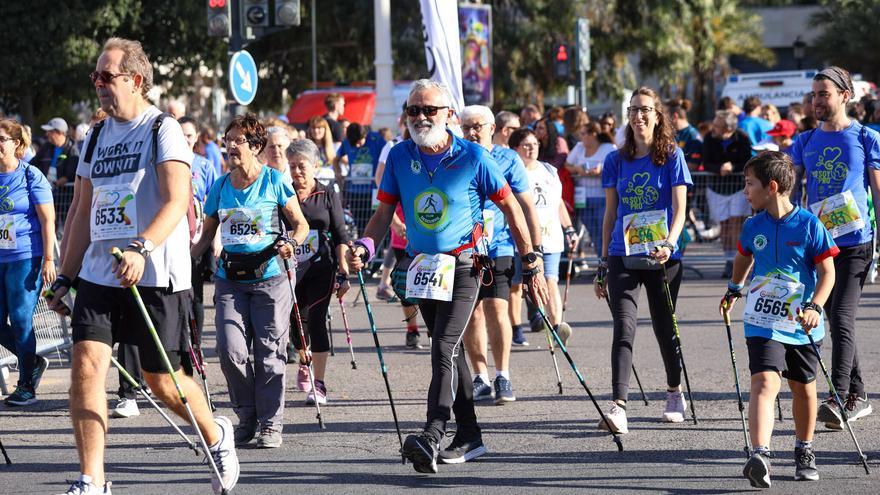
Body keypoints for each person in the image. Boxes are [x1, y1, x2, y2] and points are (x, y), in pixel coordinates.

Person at [47, 37, 239, 494]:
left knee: (163, 382)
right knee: (87, 366)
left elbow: (176, 201)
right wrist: (66, 277)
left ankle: (216, 434)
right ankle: (91, 479)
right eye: (95, 77)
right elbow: (80, 210)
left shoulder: (163, 129)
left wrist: (141, 248)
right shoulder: (94, 135)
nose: (98, 84)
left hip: (154, 273)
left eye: (106, 76)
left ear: (135, 80)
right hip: (99, 273)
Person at [346, 79, 549, 473]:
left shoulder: (474, 156)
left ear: (449, 115)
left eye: (429, 110)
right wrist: (365, 247)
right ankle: (470, 436)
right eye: (413, 111)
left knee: (442, 347)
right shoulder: (401, 157)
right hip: (424, 268)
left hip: (466, 265)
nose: (421, 117)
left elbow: (512, 208)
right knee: (449, 353)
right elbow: (384, 214)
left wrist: (531, 258)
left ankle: (432, 434)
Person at [191, 114, 309, 449]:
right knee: (229, 351)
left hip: (271, 277)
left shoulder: (273, 181)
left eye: (238, 140)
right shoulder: (221, 186)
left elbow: (299, 224)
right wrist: (185, 260)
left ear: (256, 146)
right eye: (227, 139)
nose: (230, 145)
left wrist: (292, 243)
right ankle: (247, 416)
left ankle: (271, 424)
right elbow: (206, 236)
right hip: (230, 279)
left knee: (269, 353)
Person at [720, 151, 837, 488]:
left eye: (749, 184)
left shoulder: (809, 224)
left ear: (771, 187)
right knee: (764, 382)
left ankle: (804, 449)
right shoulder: (753, 225)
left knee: (802, 387)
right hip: (761, 318)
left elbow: (827, 272)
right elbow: (744, 257)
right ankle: (761, 454)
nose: (745, 191)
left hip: (801, 322)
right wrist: (733, 288)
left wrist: (815, 307)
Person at [593, 87, 693, 434]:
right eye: (633, 110)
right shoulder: (614, 160)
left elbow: (680, 209)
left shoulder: (672, 156)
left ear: (657, 115)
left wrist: (670, 242)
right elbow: (610, 213)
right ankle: (618, 406)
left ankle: (674, 391)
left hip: (663, 257)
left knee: (665, 327)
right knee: (624, 326)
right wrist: (604, 260)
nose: (638, 116)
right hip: (624, 254)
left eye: (645, 110)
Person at [788, 66, 880, 429]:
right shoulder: (805, 141)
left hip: (857, 242)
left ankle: (838, 396)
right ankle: (858, 394)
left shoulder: (865, 137)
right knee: (830, 317)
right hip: (820, 246)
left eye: (823, 94)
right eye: (813, 95)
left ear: (845, 95)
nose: (816, 101)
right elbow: (792, 191)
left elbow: (877, 189)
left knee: (841, 316)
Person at [459, 105, 542, 405]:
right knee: (472, 312)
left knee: (496, 306)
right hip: (465, 247)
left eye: (477, 126)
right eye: (465, 126)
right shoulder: (455, 156)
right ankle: (480, 377)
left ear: (492, 128)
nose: (471, 132)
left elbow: (526, 207)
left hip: (500, 245)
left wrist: (535, 250)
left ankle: (502, 374)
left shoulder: (508, 159)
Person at [287, 139, 351, 405]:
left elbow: (340, 233)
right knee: (295, 323)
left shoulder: (327, 194)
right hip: (291, 269)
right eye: (292, 166)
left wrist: (344, 271)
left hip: (322, 266)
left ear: (314, 166)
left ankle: (320, 383)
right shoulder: (285, 193)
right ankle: (305, 359)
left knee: (316, 319)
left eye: (302, 166)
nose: (297, 172)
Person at [0, 119, 55, 406]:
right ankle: (32, 362)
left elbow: (48, 220)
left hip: (26, 256)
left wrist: (48, 258)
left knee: (21, 320)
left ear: (17, 144)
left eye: (1, 139)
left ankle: (25, 386)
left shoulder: (31, 176)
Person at [509, 128, 577, 348]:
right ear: (515, 149)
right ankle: (516, 328)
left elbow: (558, 203)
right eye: (526, 145)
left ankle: (556, 328)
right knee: (517, 286)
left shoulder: (549, 170)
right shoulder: (512, 172)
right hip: (522, 240)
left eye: (535, 144)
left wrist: (569, 229)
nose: (531, 149)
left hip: (550, 237)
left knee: (550, 281)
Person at [703, 110, 754, 278]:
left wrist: (732, 167)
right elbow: (706, 161)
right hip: (717, 188)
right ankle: (728, 259)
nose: (713, 128)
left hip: (737, 188)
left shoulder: (743, 138)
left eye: (716, 126)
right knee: (724, 226)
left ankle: (736, 261)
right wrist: (718, 169)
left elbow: (747, 161)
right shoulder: (709, 138)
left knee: (736, 224)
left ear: (727, 128)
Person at [565, 121, 617, 263]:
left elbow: (616, 164)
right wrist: (578, 169)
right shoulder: (579, 147)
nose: (581, 137)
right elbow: (568, 164)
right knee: (594, 233)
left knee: (605, 232)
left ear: (593, 134)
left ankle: (607, 262)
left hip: (603, 196)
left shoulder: (608, 147)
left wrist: (602, 169)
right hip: (583, 198)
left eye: (583, 134)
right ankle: (603, 261)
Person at [334, 123, 386, 232]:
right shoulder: (346, 141)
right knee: (360, 225)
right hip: (354, 192)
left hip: (373, 190)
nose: (357, 146)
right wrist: (338, 173)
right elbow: (336, 159)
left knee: (376, 222)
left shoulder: (376, 139)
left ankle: (378, 248)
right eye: (354, 144)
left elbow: (388, 156)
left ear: (365, 135)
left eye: (359, 142)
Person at [32, 117, 79, 187]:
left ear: (60, 132)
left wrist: (56, 184)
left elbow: (70, 175)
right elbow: (33, 163)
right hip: (45, 190)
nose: (47, 134)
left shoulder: (72, 150)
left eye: (50, 131)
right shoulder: (46, 147)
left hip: (62, 194)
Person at [306, 116, 337, 183]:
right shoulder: (306, 148)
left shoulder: (334, 148)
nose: (316, 131)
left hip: (329, 183)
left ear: (325, 130)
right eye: (313, 128)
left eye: (319, 128)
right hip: (313, 183)